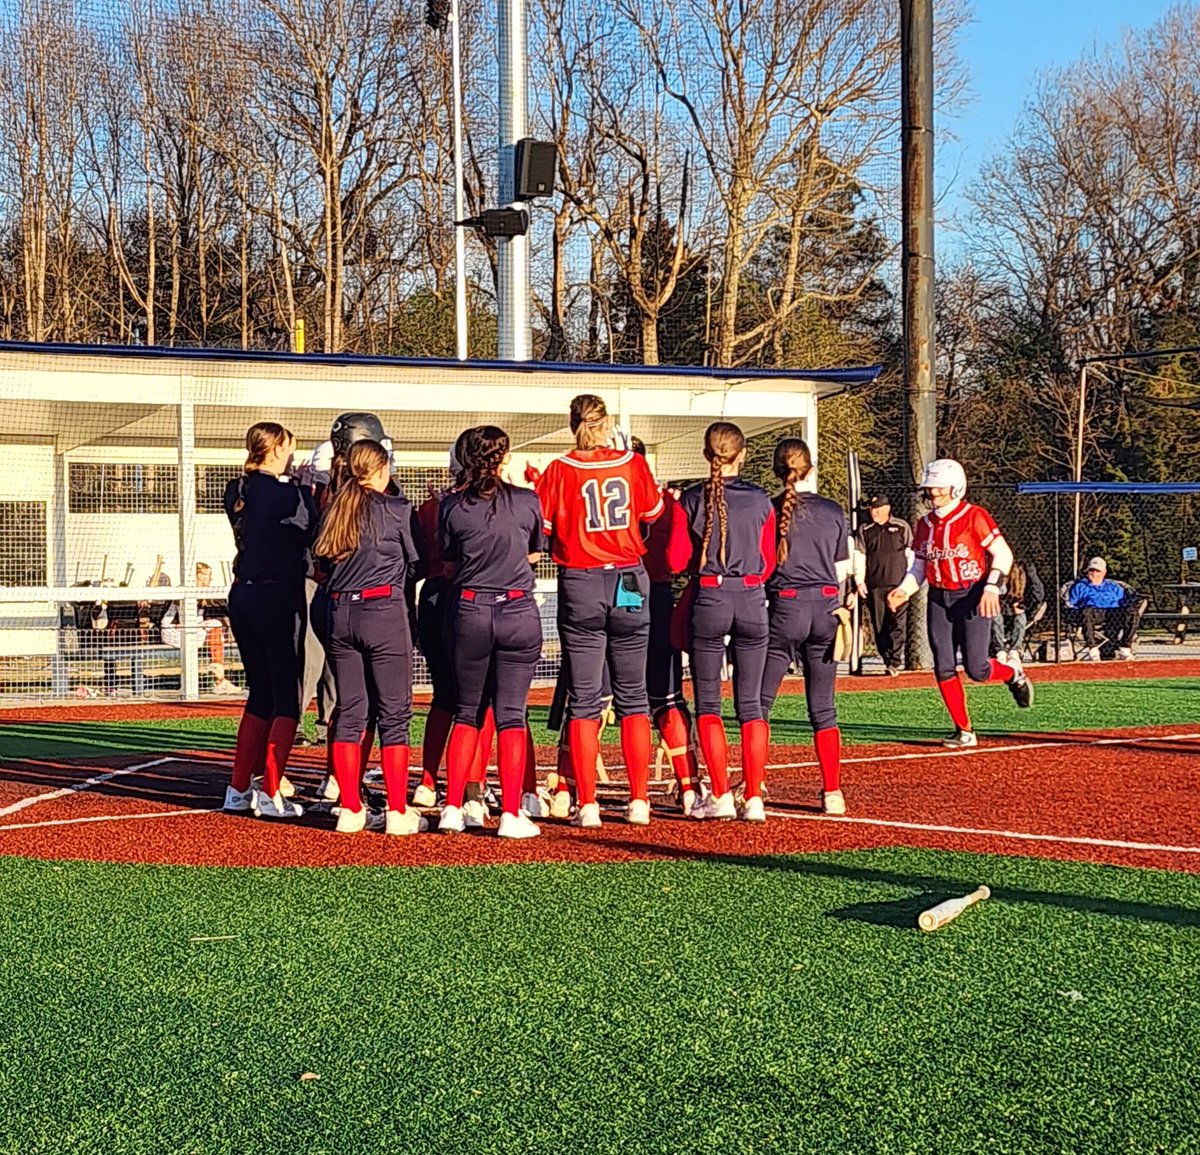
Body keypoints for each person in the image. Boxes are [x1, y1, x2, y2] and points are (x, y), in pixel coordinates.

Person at [535, 393, 664, 828]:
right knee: (634, 699)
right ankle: (639, 800)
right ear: (606, 423)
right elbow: (653, 512)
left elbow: (544, 529)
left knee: (585, 700)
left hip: (582, 581)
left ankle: (586, 803)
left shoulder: (558, 470)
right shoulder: (631, 463)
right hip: (627, 576)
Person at [313, 439, 427, 835]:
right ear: (381, 470)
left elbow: (321, 564)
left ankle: (350, 806)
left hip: (340, 613)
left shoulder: (334, 508)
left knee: (350, 712)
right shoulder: (395, 509)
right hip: (382, 612)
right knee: (395, 715)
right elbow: (418, 562)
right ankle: (397, 810)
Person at [438, 426, 546, 839]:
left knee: (467, 712)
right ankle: (512, 812)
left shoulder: (452, 506)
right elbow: (535, 549)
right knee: (511, 715)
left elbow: (449, 557)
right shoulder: (526, 500)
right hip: (517, 607)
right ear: (504, 457)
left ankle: (452, 807)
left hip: (470, 608)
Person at [887, 459, 1034, 748]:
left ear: (956, 487)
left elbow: (1003, 555)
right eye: (930, 488)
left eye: (938, 488)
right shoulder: (924, 524)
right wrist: (904, 590)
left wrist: (992, 587)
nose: (932, 493)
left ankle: (1011, 671)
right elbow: (918, 565)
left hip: (971, 596)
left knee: (977, 669)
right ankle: (964, 729)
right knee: (942, 665)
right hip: (939, 598)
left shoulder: (974, 516)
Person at [676, 423, 774, 822]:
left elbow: (678, 557)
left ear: (705, 455)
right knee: (750, 705)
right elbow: (768, 559)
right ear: (743, 454)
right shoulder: (761, 499)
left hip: (710, 595)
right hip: (751, 596)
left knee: (709, 704)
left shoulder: (692, 498)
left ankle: (718, 793)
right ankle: (753, 796)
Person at [221, 421, 316, 819]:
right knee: (286, 697)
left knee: (259, 693)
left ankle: (239, 787)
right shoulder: (289, 494)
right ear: (277, 447)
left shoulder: (236, 489)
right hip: (278, 596)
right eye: (290, 447)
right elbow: (313, 530)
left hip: (243, 594)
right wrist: (308, 489)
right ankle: (272, 792)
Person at [760, 438, 853, 816]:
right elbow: (843, 569)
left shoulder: (769, 509)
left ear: (777, 470)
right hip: (827, 607)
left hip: (785, 606)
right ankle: (832, 792)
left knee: (759, 703)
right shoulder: (832, 510)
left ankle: (754, 784)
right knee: (823, 709)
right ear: (811, 467)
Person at [631, 437, 701, 815]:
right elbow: (678, 560)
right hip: (656, 596)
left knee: (592, 700)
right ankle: (689, 786)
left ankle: (570, 791)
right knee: (668, 697)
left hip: (609, 593)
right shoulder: (669, 504)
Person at [855, 494, 912, 675]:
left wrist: (908, 584)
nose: (874, 512)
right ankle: (886, 658)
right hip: (875, 586)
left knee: (897, 623)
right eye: (872, 509)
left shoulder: (902, 527)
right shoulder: (865, 530)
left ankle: (894, 661)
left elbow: (911, 554)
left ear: (887, 509)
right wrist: (859, 581)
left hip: (898, 585)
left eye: (878, 509)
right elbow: (860, 556)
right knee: (879, 625)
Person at [1067, 557, 1137, 661]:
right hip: (1093, 613)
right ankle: (1093, 649)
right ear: (1087, 571)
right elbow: (1072, 605)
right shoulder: (1080, 586)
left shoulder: (1114, 586)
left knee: (1132, 612)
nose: (1094, 573)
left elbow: (1124, 602)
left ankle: (1125, 648)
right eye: (1092, 570)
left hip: (1113, 613)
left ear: (1104, 572)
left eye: (1098, 571)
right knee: (1086, 612)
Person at [992, 560, 1045, 663]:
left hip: (1019, 609)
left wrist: (1023, 605)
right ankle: (1000, 650)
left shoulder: (1026, 570)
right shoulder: (996, 573)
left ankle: (1015, 650)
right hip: (1000, 608)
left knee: (1020, 617)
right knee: (996, 616)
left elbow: (1038, 593)